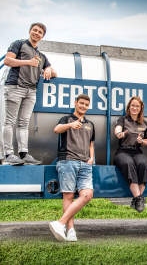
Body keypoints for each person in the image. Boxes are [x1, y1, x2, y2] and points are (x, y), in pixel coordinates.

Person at [3, 22, 57, 165]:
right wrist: (27, 62)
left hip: (30, 91)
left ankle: (23, 154)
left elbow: (54, 72)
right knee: (10, 121)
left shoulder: (41, 56)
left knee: (23, 123)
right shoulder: (19, 44)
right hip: (15, 86)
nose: (37, 33)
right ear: (30, 31)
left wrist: (47, 70)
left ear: (42, 36)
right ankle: (8, 154)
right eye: (35, 30)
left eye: (40, 32)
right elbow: (7, 61)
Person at [49, 94, 95, 242]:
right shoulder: (66, 119)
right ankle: (70, 230)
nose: (83, 106)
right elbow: (56, 130)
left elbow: (91, 144)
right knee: (68, 196)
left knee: (87, 195)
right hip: (68, 161)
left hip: (85, 164)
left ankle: (60, 223)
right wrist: (70, 125)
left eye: (86, 105)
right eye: (81, 103)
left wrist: (91, 157)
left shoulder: (90, 124)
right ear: (76, 103)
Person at [113, 96, 147, 213]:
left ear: (141, 109)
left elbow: (146, 143)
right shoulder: (123, 119)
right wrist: (119, 133)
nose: (134, 108)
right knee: (127, 163)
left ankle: (137, 198)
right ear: (129, 107)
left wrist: (141, 142)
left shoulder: (144, 123)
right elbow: (117, 129)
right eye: (132, 105)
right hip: (123, 151)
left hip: (137, 151)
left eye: (137, 106)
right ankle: (138, 198)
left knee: (144, 163)